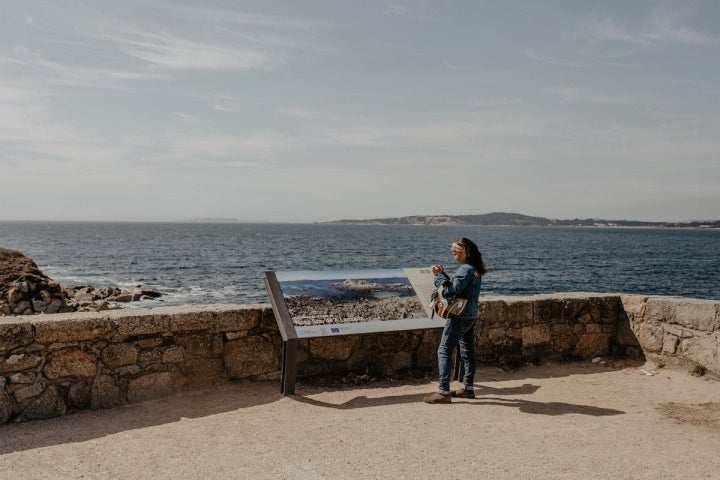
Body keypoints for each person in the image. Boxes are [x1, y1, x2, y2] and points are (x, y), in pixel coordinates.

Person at [423, 237, 488, 404]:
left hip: (459, 316)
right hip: (471, 314)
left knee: (443, 351)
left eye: (455, 251)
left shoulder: (465, 269)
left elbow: (451, 291)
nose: (453, 254)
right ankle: (468, 388)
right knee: (467, 351)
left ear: (466, 251)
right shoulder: (474, 269)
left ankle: (443, 392)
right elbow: (461, 287)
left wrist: (437, 277)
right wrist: (443, 274)